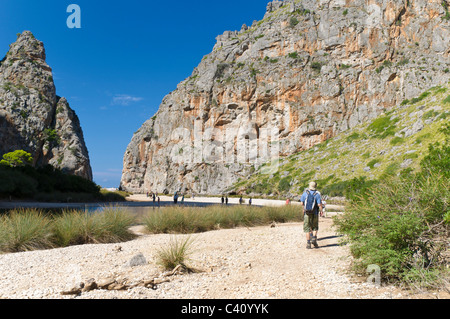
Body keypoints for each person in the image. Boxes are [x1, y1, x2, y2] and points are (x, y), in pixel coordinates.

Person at [300, 182, 324, 249]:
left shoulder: (305, 193)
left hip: (307, 213)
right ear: (315, 186)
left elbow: (301, 203)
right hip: (315, 213)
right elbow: (319, 204)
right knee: (315, 227)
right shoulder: (317, 194)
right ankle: (314, 238)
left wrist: (304, 208)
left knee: (307, 228)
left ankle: (308, 244)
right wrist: (321, 211)